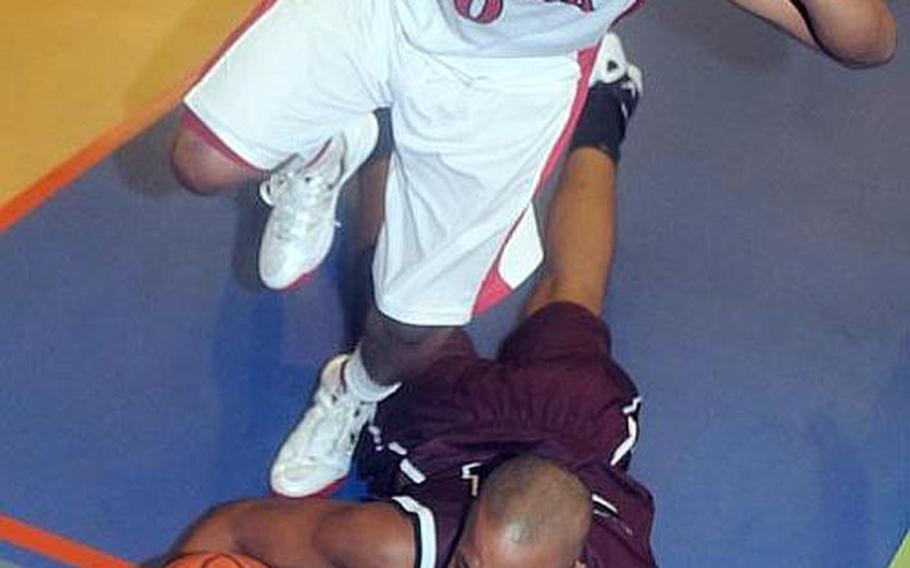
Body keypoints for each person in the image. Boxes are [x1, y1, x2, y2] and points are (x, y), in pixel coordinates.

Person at [169, 0, 896, 496]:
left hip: (505, 86)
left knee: (412, 332)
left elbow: (867, 41)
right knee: (200, 164)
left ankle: (353, 388)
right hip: (383, 11)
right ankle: (332, 142)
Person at [165, 40, 655, 568]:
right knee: (396, 302)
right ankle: (384, 119)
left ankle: (605, 100)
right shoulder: (400, 545)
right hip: (464, 426)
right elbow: (233, 530)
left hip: (563, 437)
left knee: (566, 293)